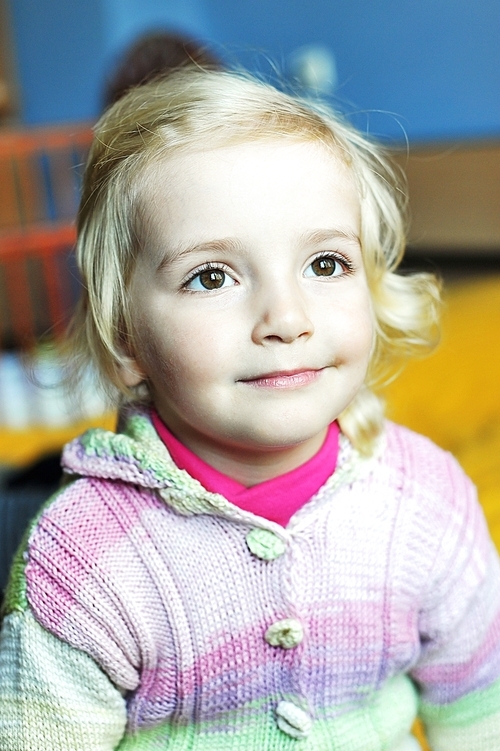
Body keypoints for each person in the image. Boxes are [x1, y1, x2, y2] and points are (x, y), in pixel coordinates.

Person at [0, 67, 499, 750]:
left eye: (325, 263)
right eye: (212, 276)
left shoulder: (428, 504)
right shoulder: (83, 560)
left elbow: (479, 710)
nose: (286, 319)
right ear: (125, 337)